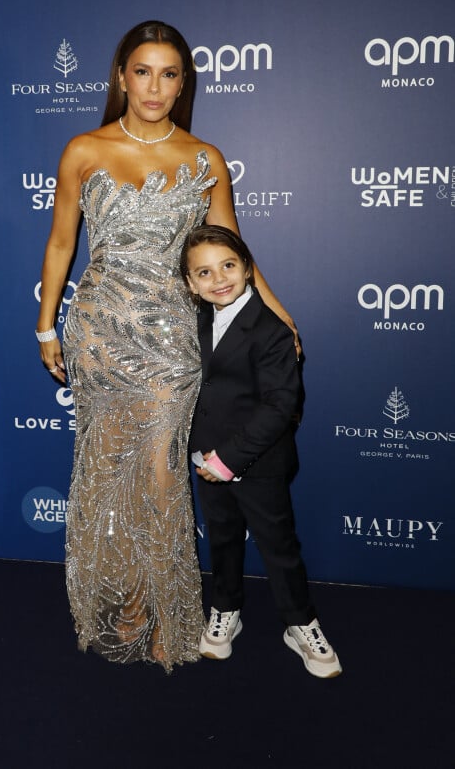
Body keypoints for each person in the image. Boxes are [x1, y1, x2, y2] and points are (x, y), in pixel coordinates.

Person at [36, 20, 297, 672]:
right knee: (107, 473)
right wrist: (46, 326)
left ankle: (164, 610)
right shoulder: (83, 150)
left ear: (184, 83)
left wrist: (278, 313)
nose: (156, 86)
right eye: (143, 71)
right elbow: (62, 243)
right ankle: (125, 606)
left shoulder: (204, 157)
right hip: (99, 334)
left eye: (170, 73)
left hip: (171, 341)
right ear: (122, 76)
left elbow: (232, 248)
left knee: (157, 478)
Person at [181, 225, 341, 678]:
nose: (219, 279)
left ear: (248, 268)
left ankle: (300, 623)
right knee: (223, 537)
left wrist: (227, 460)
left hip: (258, 462)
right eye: (204, 273)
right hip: (205, 455)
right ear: (192, 284)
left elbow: (278, 407)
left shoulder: (272, 330)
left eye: (228, 266)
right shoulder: (196, 319)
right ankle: (226, 609)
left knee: (278, 547)